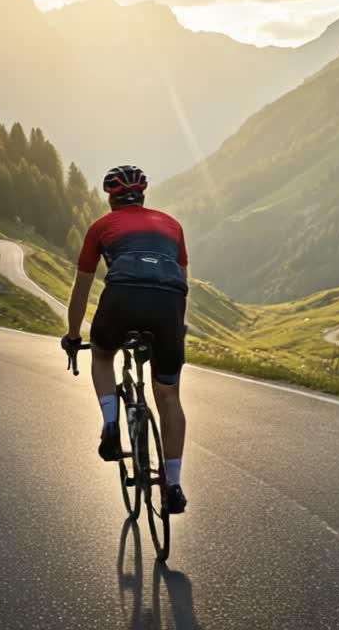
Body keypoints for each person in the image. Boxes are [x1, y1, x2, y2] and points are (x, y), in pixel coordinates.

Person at [62, 165, 189, 514]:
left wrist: (74, 336)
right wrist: (177, 326)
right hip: (168, 308)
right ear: (143, 195)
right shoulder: (172, 225)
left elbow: (81, 288)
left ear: (111, 198)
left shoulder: (101, 227)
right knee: (169, 395)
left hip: (121, 299)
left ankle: (111, 423)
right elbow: (183, 283)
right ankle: (173, 485)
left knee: (102, 356)